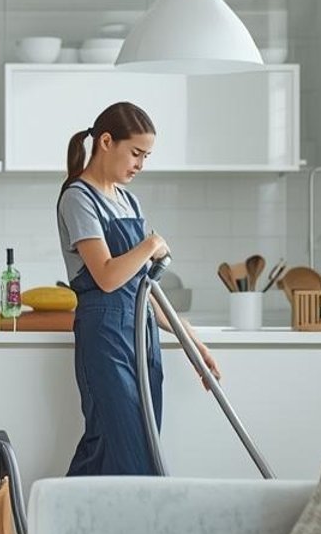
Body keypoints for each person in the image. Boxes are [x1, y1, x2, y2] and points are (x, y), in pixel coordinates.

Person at [55, 101, 220, 477]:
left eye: (146, 156)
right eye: (136, 153)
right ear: (106, 142)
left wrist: (194, 344)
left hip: (141, 334)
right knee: (130, 453)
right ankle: (134, 531)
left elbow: (147, 291)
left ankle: (69, 530)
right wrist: (150, 244)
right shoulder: (78, 197)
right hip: (106, 335)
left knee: (119, 449)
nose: (140, 165)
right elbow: (108, 277)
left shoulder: (128, 200)